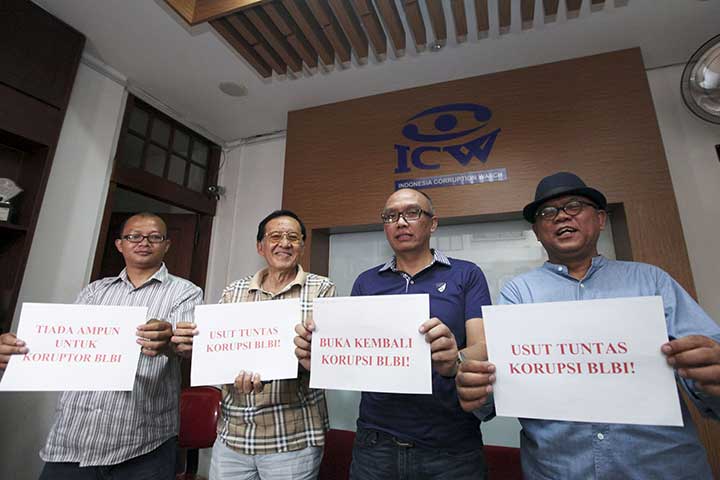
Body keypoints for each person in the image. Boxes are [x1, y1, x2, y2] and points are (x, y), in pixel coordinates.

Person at [456, 171, 720, 479]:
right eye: (547, 212)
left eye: (574, 206)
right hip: (557, 469)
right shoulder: (519, 293)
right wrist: (477, 387)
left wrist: (711, 373)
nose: (561, 216)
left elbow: (709, 383)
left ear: (600, 219)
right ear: (537, 232)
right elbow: (498, 386)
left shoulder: (652, 281)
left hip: (662, 467)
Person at [295, 188, 492, 479]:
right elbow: (354, 354)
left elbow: (483, 345)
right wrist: (321, 356)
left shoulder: (466, 274)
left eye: (412, 213)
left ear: (433, 223)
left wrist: (456, 359)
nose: (400, 222)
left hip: (450, 444)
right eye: (390, 216)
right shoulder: (366, 282)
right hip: (376, 443)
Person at [0, 212, 203, 479]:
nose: (144, 242)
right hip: (72, 438)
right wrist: (19, 350)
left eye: (155, 237)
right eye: (134, 236)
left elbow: (186, 346)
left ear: (166, 245)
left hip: (143, 442)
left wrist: (168, 340)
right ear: (120, 244)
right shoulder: (95, 291)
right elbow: (66, 344)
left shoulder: (185, 292)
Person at [172, 210, 335, 480]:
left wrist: (307, 356)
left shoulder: (322, 289)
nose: (285, 243)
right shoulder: (233, 291)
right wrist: (193, 347)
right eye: (275, 236)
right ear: (260, 246)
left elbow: (327, 357)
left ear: (302, 246)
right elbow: (218, 349)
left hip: (292, 436)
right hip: (233, 434)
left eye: (293, 237)